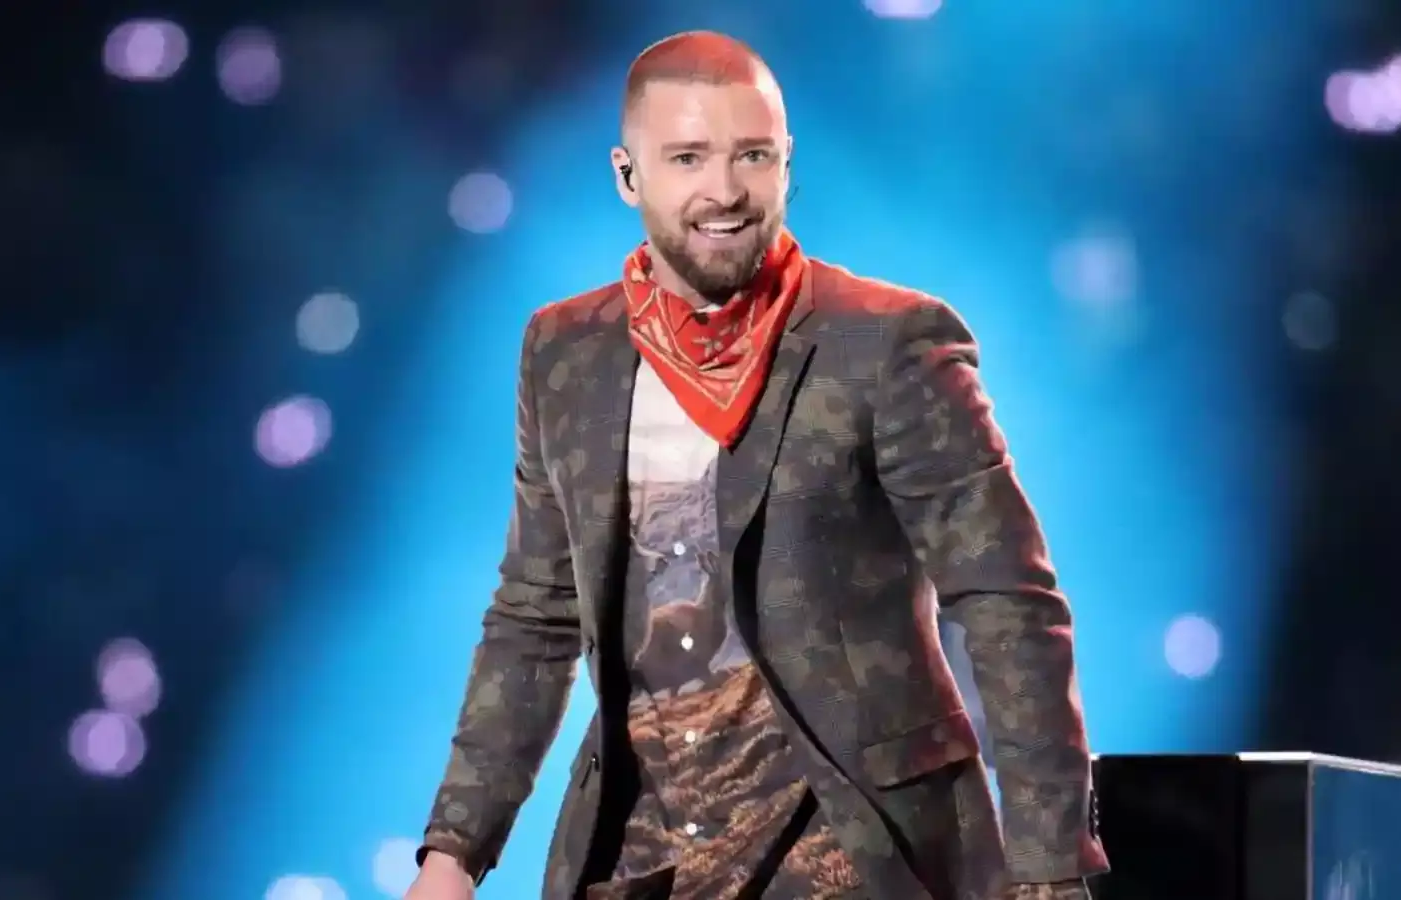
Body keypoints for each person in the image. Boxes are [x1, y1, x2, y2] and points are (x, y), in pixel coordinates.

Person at [403, 30, 1108, 900]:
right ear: (628, 176)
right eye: (689, 158)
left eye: (753, 155)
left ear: (786, 163)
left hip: (850, 851)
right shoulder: (565, 353)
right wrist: (453, 854)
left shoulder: (886, 343)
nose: (726, 190)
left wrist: (1048, 872)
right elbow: (536, 615)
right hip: (639, 855)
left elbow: (1005, 601)